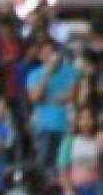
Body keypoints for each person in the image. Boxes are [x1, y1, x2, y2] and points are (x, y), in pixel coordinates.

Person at [26, 39, 77, 171]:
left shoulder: (69, 71)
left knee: (62, 164)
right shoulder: (34, 74)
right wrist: (46, 73)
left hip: (64, 125)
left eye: (51, 53)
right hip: (43, 125)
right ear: (40, 56)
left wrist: (46, 98)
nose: (49, 57)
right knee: (42, 163)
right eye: (45, 53)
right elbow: (35, 97)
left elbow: (70, 96)